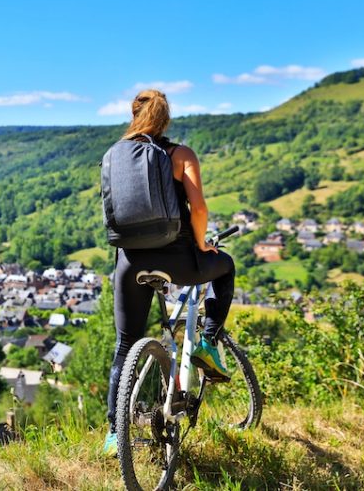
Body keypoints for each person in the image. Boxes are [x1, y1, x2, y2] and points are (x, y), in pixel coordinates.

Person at [102, 89, 235, 456]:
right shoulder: (180, 154)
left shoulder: (115, 155)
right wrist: (202, 244)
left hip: (130, 262)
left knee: (125, 345)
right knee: (225, 267)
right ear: (166, 119)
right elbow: (199, 209)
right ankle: (208, 342)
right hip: (177, 260)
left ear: (134, 115)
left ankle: (114, 433)